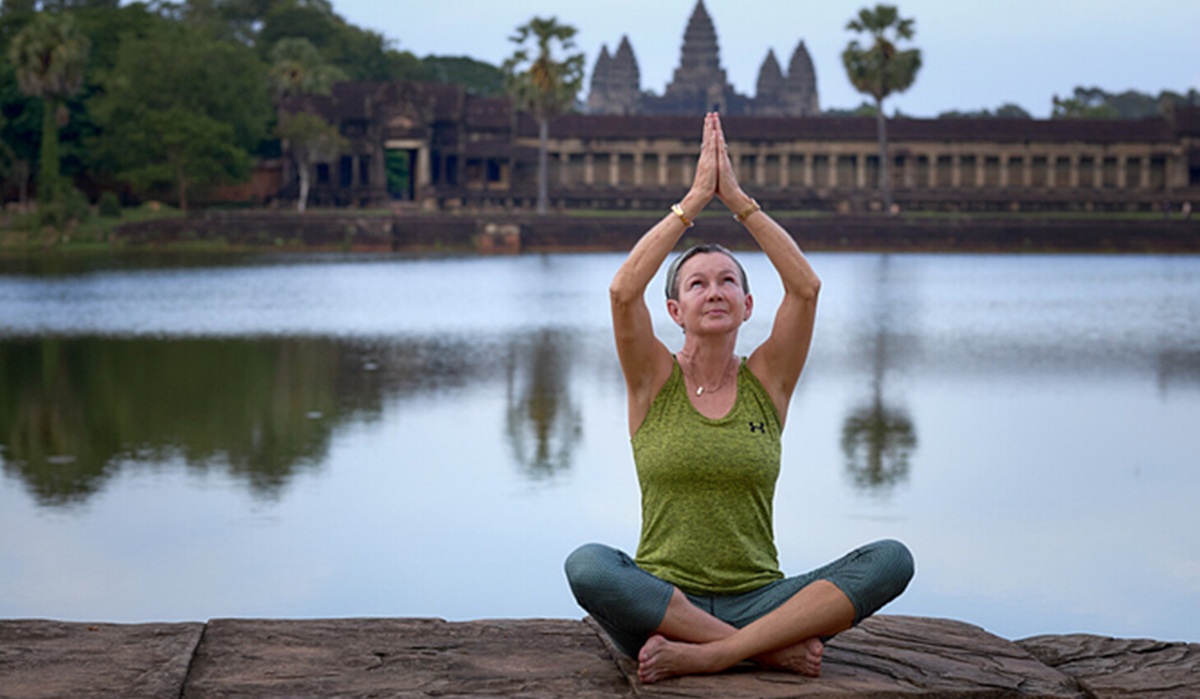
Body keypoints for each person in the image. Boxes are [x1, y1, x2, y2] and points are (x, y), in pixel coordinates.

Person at [564, 113, 914, 684]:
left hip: (761, 598)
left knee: (892, 559)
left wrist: (742, 204)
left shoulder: (767, 380)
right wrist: (694, 202)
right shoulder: (652, 380)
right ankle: (762, 653)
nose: (715, 291)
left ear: (749, 306)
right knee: (588, 566)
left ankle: (713, 652)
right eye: (697, 284)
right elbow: (624, 291)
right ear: (675, 312)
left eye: (728, 281)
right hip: (661, 603)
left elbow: (806, 288)